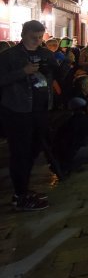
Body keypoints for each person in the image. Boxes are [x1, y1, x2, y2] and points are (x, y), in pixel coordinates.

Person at [0, 20, 60, 210]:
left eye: (40, 37)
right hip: (18, 110)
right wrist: (22, 72)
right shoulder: (9, 56)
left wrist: (53, 66)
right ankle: (20, 195)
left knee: (34, 149)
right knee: (20, 152)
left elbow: (58, 72)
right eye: (33, 37)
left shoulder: (44, 53)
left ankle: (24, 189)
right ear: (23, 35)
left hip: (40, 109)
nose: (37, 41)